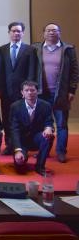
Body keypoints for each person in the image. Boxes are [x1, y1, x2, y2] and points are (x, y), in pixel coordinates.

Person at [32, 23, 78, 163]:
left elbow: (75, 71)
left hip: (61, 94)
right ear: (44, 33)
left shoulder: (68, 49)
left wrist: (72, 90)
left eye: (55, 30)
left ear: (59, 33)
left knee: (61, 124)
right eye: (48, 30)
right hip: (41, 93)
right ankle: (44, 150)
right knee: (42, 124)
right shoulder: (36, 48)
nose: (51, 32)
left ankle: (61, 152)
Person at [0, 22, 38, 155]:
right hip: (6, 91)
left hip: (23, 92)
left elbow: (31, 72)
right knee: (7, 118)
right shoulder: (2, 49)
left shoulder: (30, 50)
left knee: (21, 118)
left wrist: (28, 90)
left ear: (23, 33)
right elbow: (0, 71)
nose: (16, 33)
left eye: (19, 31)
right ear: (9, 32)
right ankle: (9, 144)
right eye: (13, 31)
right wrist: (0, 89)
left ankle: (21, 145)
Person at [10, 80, 55, 176]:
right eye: (26, 90)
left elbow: (49, 121)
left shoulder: (46, 105)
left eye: (32, 90)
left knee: (48, 137)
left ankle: (40, 166)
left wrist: (48, 128)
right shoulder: (15, 106)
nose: (29, 93)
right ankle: (21, 159)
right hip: (21, 140)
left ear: (37, 91)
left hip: (36, 138)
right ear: (22, 93)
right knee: (20, 168)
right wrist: (17, 150)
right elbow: (14, 129)